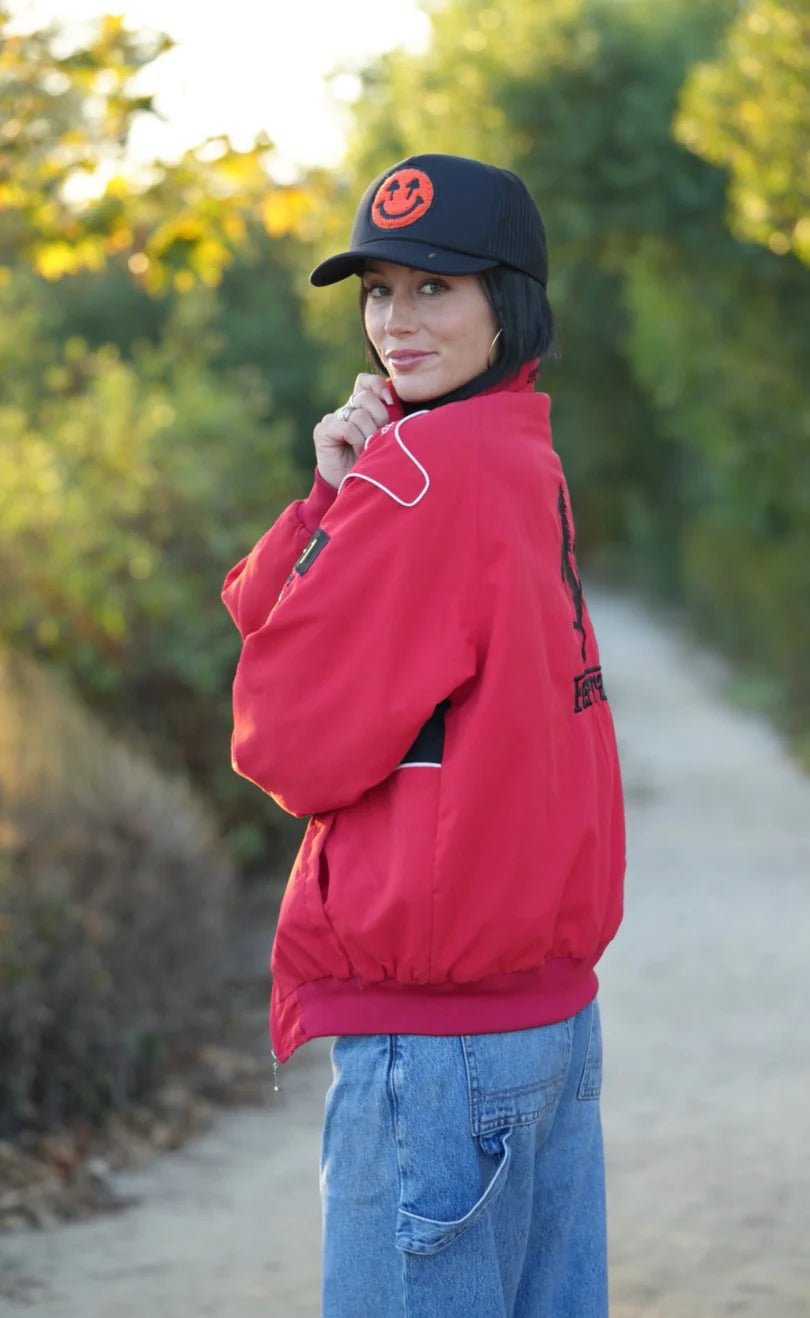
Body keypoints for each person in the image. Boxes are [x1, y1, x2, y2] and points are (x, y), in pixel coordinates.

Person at [222, 152, 626, 1318]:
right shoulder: (514, 451)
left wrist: (362, 495)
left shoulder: (428, 467)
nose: (397, 322)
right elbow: (283, 617)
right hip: (545, 1024)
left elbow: (285, 739)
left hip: (438, 1048)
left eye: (435, 288)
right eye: (379, 289)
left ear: (512, 298)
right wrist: (331, 493)